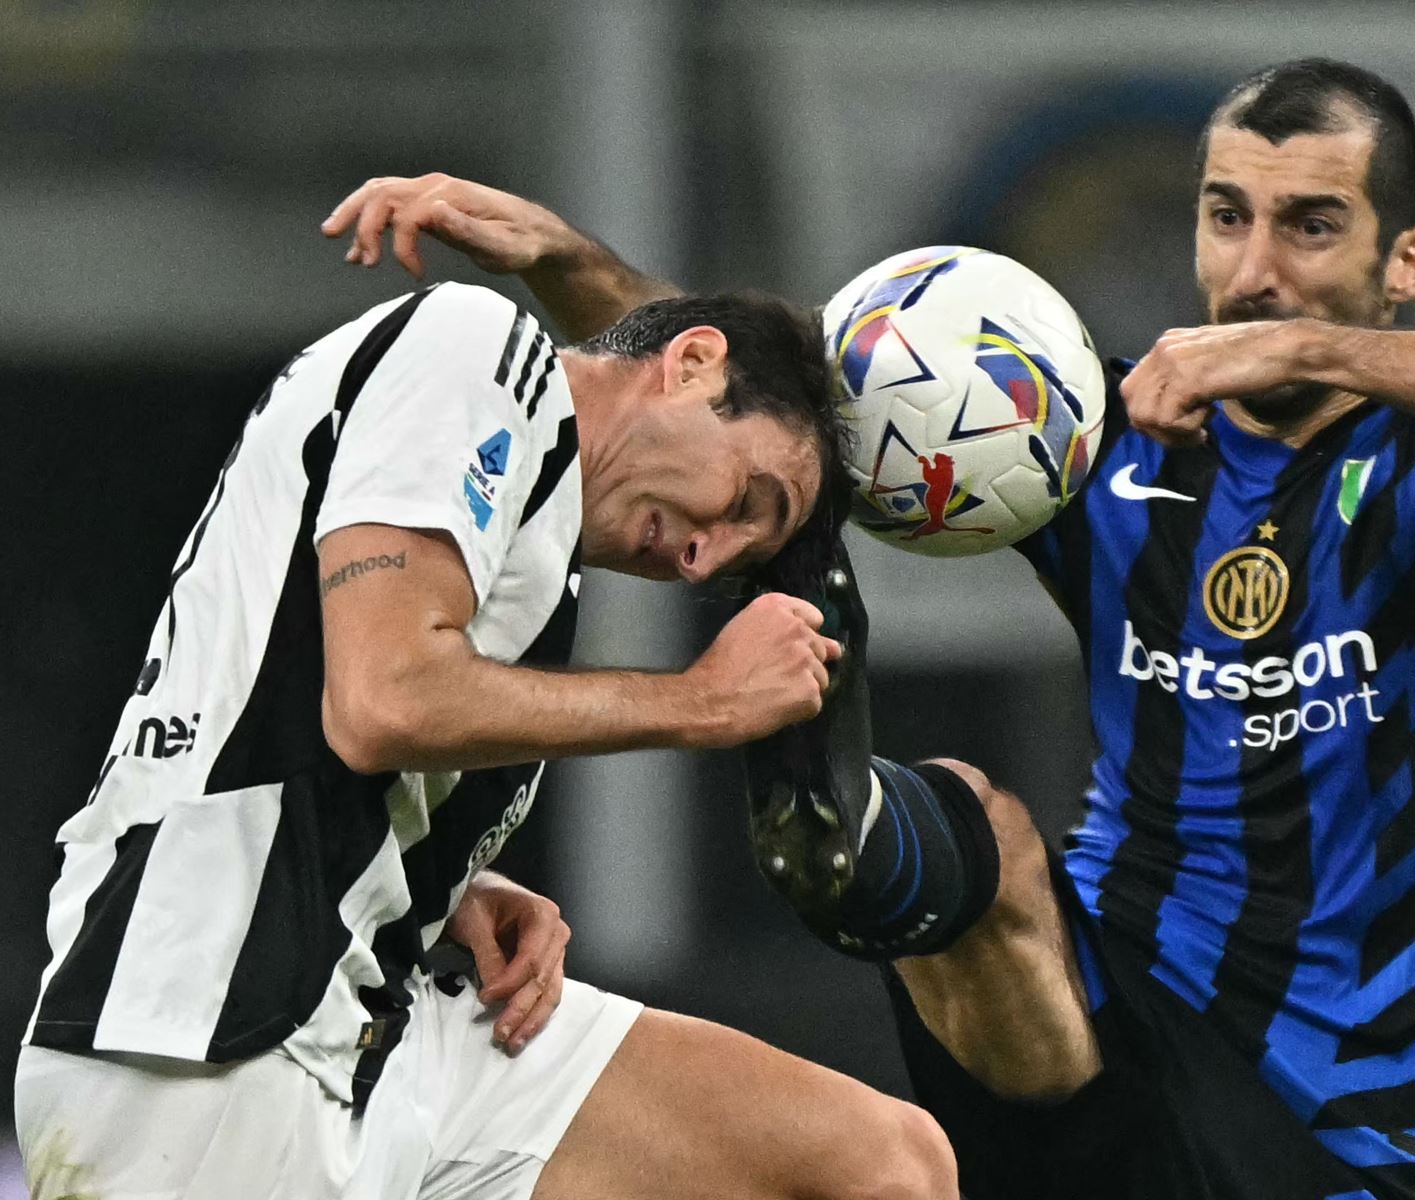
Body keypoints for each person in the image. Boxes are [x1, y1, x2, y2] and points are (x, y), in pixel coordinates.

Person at [327, 57, 1415, 1200]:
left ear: (1407, 263)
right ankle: (842, 832)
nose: (1255, 268)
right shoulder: (1099, 441)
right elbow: (776, 417)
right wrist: (568, 262)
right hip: (1104, 1030)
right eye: (1227, 217)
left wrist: (1317, 355)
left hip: (1346, 1128)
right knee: (976, 831)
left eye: (1311, 226)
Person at [14, 280, 959, 1199]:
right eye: (748, 499)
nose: (701, 556)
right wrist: (702, 699)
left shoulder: (533, 532)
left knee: (879, 1166)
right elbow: (382, 700)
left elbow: (312, 709)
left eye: (741, 556)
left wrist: (439, 880)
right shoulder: (477, 346)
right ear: (694, 365)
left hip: (379, 1028)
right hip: (205, 1044)